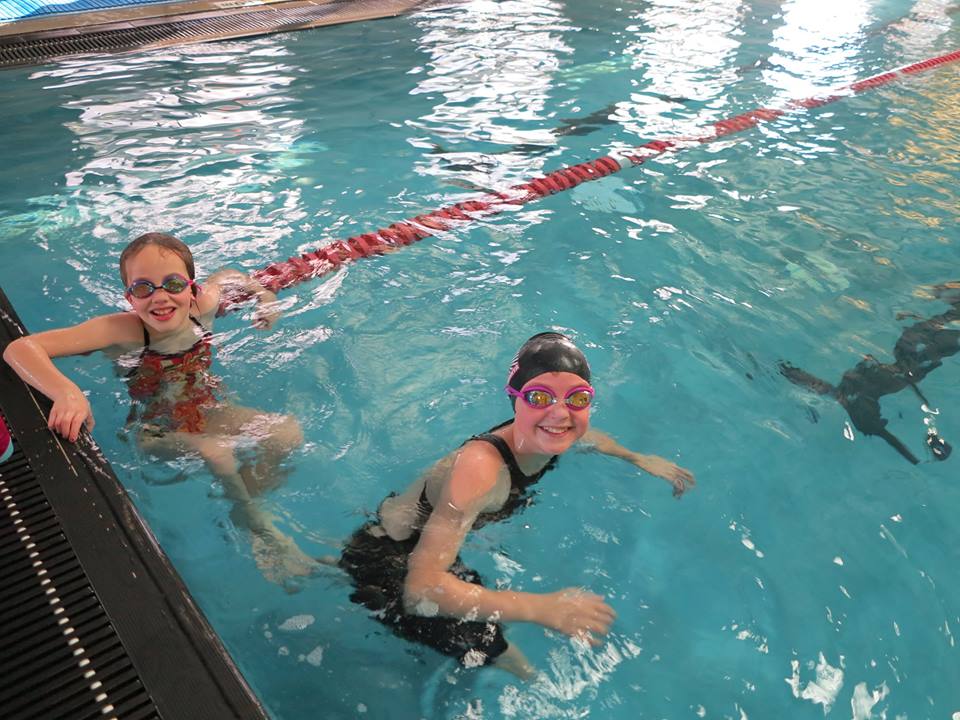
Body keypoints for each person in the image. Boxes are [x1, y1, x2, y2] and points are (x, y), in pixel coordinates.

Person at [338, 332, 695, 678]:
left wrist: (636, 457)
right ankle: (334, 570)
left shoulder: (554, 428)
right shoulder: (479, 470)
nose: (560, 414)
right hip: (389, 560)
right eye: (539, 398)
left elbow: (588, 436)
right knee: (501, 653)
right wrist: (543, 608)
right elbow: (420, 591)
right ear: (515, 399)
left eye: (577, 398)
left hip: (432, 543)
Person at [2, 232, 313, 586]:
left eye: (173, 283)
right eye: (143, 288)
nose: (160, 297)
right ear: (129, 297)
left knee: (287, 432)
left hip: (208, 407)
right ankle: (257, 522)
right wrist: (67, 392)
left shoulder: (204, 306)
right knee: (216, 451)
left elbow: (228, 274)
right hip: (156, 429)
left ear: (191, 289)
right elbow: (21, 349)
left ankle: (244, 501)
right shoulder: (120, 330)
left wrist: (265, 296)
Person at [779, 281, 960, 464]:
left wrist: (785, 371)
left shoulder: (846, 402)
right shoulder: (862, 419)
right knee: (922, 346)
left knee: (914, 340)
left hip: (894, 372)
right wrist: (916, 458)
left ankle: (950, 314)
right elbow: (891, 439)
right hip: (899, 375)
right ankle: (950, 315)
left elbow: (820, 387)